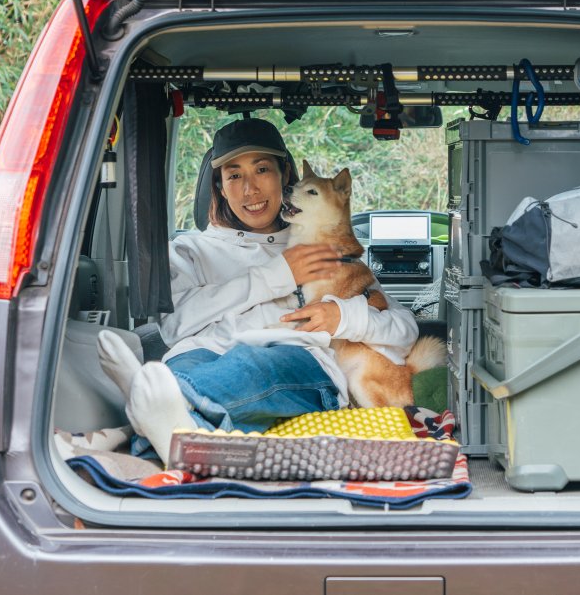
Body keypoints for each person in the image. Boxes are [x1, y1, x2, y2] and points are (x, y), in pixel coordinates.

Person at [97, 117, 419, 464]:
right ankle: (175, 425)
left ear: (285, 176)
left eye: (262, 169)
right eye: (234, 175)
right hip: (201, 353)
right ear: (219, 187)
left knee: (253, 363)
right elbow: (175, 326)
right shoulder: (190, 250)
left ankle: (144, 412)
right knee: (185, 367)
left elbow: (404, 330)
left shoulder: (322, 246)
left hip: (294, 359)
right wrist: (276, 274)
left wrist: (344, 316)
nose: (250, 188)